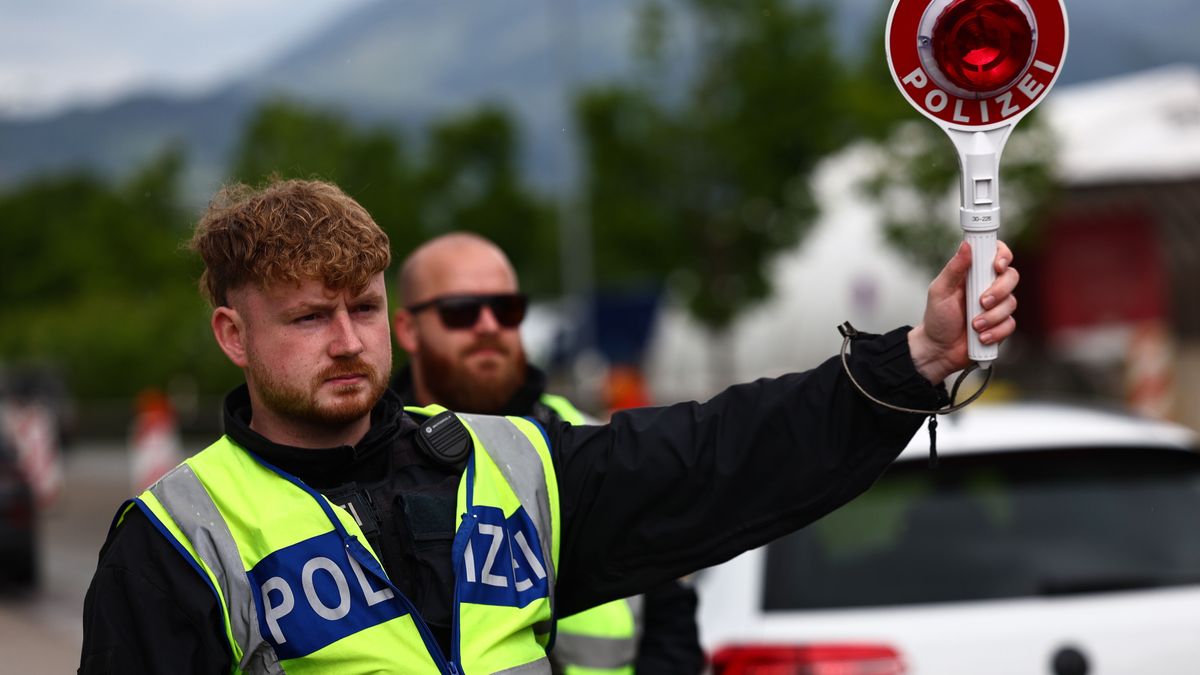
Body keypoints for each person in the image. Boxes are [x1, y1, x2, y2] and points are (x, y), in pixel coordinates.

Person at [79, 178, 1019, 674]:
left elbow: (721, 456)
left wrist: (919, 359)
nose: (346, 341)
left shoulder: (512, 461)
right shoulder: (180, 535)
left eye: (363, 308)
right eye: (307, 317)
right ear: (232, 335)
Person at [391, 232, 703, 674]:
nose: (488, 325)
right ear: (408, 329)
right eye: (460, 310)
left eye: (506, 308)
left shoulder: (591, 442)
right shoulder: (373, 461)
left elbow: (669, 618)